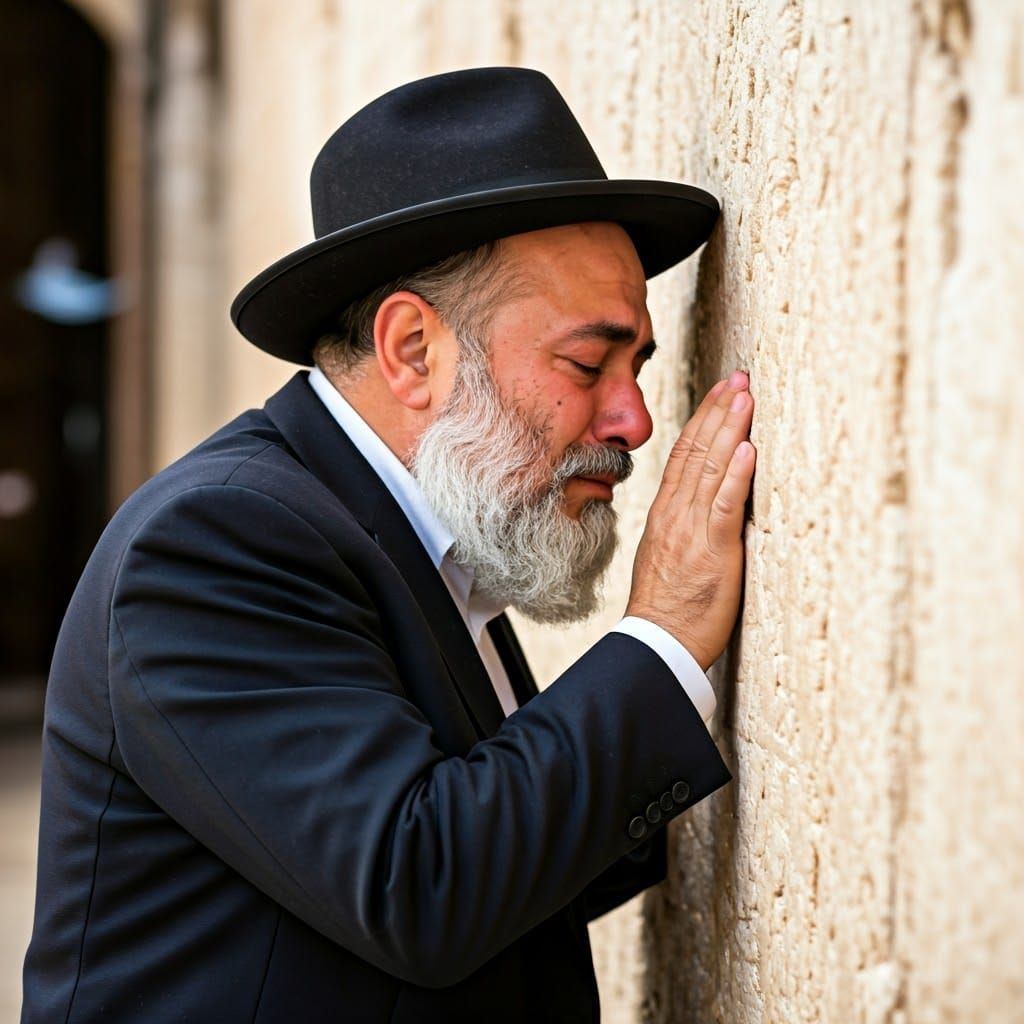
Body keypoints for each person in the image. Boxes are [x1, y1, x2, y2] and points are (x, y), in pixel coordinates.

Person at [21, 68, 756, 1023]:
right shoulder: (213, 543)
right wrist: (662, 639)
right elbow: (425, 887)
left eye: (638, 366)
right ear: (413, 349)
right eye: (587, 362)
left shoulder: (417, 531)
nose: (634, 420)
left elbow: (511, 879)